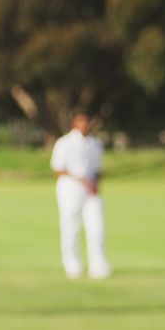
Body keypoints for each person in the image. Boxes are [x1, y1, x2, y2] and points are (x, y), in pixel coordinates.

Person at [50, 113, 111, 280]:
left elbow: (97, 169)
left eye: (87, 123)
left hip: (91, 191)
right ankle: (72, 263)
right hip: (70, 189)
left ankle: (98, 264)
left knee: (96, 226)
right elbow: (57, 168)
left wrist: (95, 184)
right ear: (74, 125)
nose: (86, 126)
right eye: (82, 124)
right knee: (71, 226)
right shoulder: (64, 143)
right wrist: (79, 179)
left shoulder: (95, 144)